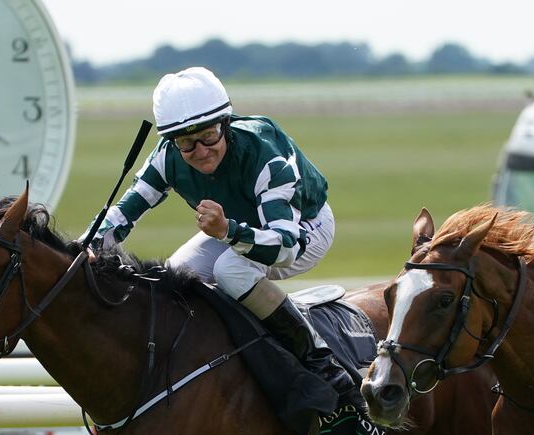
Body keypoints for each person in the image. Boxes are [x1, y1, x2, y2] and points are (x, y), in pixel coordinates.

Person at [84, 66, 362, 411]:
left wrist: (228, 231)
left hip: (303, 229)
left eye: (209, 136)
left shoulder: (264, 155)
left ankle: (320, 360)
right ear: (172, 141)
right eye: (187, 142)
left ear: (226, 125)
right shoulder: (167, 157)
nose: (200, 151)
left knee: (231, 269)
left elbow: (285, 249)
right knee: (173, 277)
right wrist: (83, 247)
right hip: (236, 227)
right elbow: (124, 212)